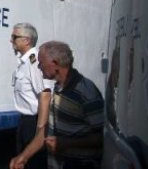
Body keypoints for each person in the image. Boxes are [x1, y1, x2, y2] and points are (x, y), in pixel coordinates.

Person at [38, 41, 104, 169]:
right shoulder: (58, 87)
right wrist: (23, 157)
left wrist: (66, 143)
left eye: (41, 62)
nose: (39, 66)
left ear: (55, 63)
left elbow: (101, 138)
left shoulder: (87, 92)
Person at [9, 23, 52, 169]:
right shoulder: (25, 61)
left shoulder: (34, 61)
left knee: (33, 163)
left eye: (14, 37)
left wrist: (40, 129)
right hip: (25, 121)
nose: (11, 40)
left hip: (33, 123)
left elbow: (45, 94)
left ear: (26, 40)